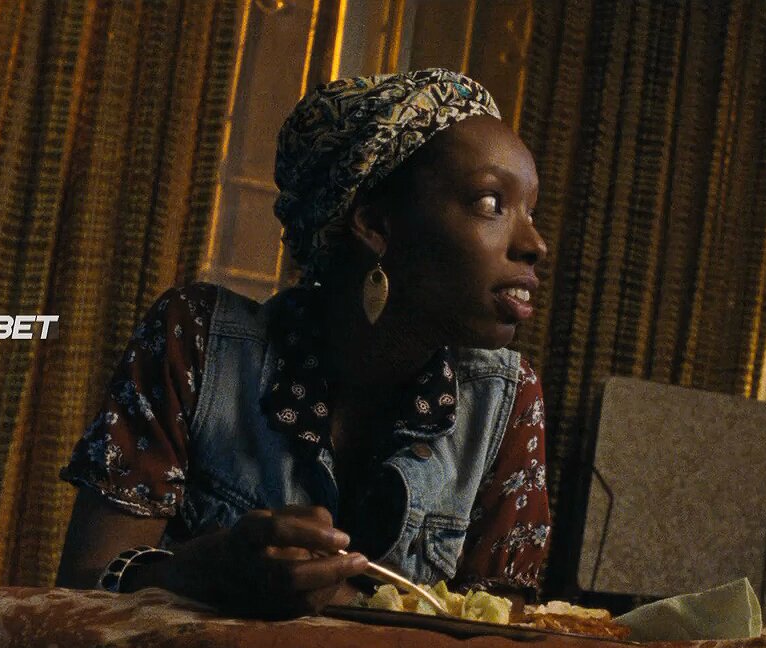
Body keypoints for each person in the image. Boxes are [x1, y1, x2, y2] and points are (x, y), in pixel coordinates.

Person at [55, 69, 551, 619]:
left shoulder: (505, 400)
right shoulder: (194, 339)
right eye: (490, 202)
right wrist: (199, 573)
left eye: (530, 210)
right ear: (375, 224)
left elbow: (498, 635)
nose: (535, 243)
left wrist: (343, 605)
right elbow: (83, 585)